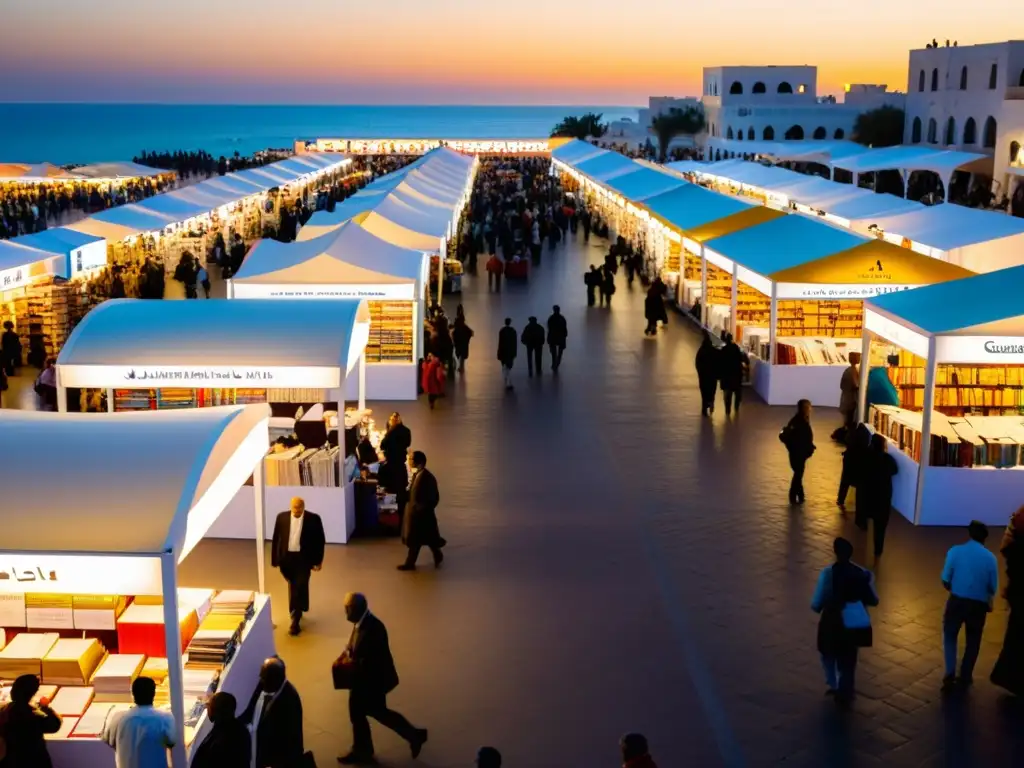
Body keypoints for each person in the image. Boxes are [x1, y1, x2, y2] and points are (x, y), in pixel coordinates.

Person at [338, 593, 427, 764]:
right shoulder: (364, 622)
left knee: (374, 712)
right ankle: (365, 749)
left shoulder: (374, 629)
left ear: (356, 610)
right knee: (365, 713)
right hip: (364, 682)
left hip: (371, 684)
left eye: (347, 609)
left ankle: (365, 750)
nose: (345, 613)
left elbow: (371, 662)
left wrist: (351, 662)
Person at [811, 537, 880, 705]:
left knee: (828, 653)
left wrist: (819, 606)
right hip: (853, 624)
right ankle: (846, 690)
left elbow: (817, 602)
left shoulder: (828, 573)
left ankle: (833, 684)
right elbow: (874, 600)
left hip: (832, 621)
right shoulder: (863, 573)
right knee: (849, 658)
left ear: (835, 552)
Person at [941, 520, 999, 690]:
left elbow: (945, 579)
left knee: (950, 635)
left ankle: (950, 671)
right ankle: (965, 674)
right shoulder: (991, 558)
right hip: (978, 606)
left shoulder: (955, 551)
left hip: (957, 601)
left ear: (969, 534)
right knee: (973, 640)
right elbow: (993, 587)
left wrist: (955, 587)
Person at [271, 497, 326, 635]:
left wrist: (318, 561)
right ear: (290, 506)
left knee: (298, 584)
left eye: (299, 508)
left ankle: (295, 620)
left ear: (303, 507)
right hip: (286, 559)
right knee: (296, 584)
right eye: (294, 507)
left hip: (303, 559)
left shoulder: (313, 519)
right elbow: (276, 538)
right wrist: (274, 559)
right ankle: (301, 607)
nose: (296, 511)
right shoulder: (281, 517)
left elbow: (320, 540)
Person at [240, 658, 304, 768]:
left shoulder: (289, 701)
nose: (260, 681)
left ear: (275, 680)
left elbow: (290, 741)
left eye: (264, 679)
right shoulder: (268, 684)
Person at [101, 677, 176, 768]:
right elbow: (173, 741)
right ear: (154, 694)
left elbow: (109, 740)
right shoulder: (165, 718)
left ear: (133, 694)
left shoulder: (118, 717)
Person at [991, 506, 1024, 695]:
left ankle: (1012, 678)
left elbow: (1007, 547)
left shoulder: (1020, 515)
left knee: (1017, 633)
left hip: (1019, 589)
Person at [0, 673, 62, 768]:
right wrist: (45, 707)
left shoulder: (5, 710)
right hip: (34, 760)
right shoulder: (33, 714)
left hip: (10, 760)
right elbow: (54, 725)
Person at [399, 451, 446, 570]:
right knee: (426, 539)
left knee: (417, 540)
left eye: (411, 459)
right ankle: (437, 555)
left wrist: (422, 508)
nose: (408, 462)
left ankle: (410, 564)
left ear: (418, 462)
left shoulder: (427, 478)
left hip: (422, 515)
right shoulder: (418, 475)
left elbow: (434, 497)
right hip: (419, 515)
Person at [859, 434, 898, 556]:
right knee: (880, 526)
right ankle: (878, 549)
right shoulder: (887, 459)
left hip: (868, 495)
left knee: (869, 518)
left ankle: (863, 531)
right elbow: (895, 470)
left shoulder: (865, 457)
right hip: (883, 497)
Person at [190, 692, 251, 768]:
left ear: (215, 710)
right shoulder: (240, 730)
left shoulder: (221, 737)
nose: (207, 708)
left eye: (209, 705)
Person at [780, 399, 815, 505]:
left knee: (798, 474)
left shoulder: (796, 421)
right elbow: (802, 438)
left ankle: (800, 496)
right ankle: (793, 495)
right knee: (798, 474)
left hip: (796, 452)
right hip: (798, 453)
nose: (811, 409)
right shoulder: (800, 422)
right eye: (809, 407)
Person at [837, 424, 871, 516]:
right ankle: (860, 506)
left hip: (849, 459)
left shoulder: (852, 434)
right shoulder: (864, 435)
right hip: (857, 461)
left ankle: (840, 500)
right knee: (859, 484)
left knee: (845, 481)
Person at [718, 333, 746, 416]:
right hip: (736, 374)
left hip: (727, 375)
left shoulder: (724, 349)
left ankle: (727, 410)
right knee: (737, 393)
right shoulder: (736, 348)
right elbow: (741, 359)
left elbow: (720, 363)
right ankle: (736, 408)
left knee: (728, 394)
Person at [695, 331, 718, 416]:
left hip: (703, 376)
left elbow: (697, 363)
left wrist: (700, 372)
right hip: (712, 376)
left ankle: (704, 408)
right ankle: (711, 401)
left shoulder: (701, 351)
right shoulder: (714, 351)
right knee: (712, 391)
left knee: (704, 392)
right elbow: (718, 362)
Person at [838, 352, 861, 436]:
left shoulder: (849, 370)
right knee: (849, 419)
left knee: (847, 419)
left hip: (846, 397)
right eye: (858, 357)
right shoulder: (852, 371)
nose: (859, 359)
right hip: (850, 399)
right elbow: (856, 385)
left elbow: (841, 385)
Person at [452, 307, 474, 373]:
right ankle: (461, 367)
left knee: (459, 354)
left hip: (458, 343)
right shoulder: (465, 328)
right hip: (464, 343)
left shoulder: (457, 326)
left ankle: (460, 367)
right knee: (462, 356)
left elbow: (454, 333)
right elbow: (470, 333)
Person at [497, 317, 517, 392]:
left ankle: (506, 380)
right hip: (510, 352)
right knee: (509, 367)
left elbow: (500, 343)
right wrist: (514, 353)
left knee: (505, 367)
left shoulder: (502, 331)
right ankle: (509, 382)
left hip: (503, 352)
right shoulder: (513, 331)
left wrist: (499, 353)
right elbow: (514, 343)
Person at [546, 306, 567, 372]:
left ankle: (555, 363)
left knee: (553, 353)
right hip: (560, 337)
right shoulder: (562, 318)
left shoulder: (551, 318)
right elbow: (564, 329)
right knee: (559, 353)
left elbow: (549, 329)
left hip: (553, 337)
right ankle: (557, 363)